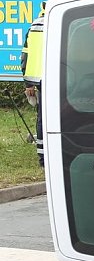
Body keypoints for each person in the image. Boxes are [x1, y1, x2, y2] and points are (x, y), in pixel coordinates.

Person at [20, 14, 45, 167]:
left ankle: (43, 157)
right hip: (64, 77)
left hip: (43, 80)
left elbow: (26, 55)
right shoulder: (65, 14)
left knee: (43, 117)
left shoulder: (36, 24)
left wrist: (29, 83)